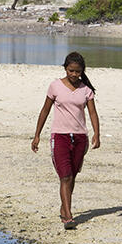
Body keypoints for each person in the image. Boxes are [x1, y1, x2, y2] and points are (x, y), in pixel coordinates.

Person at [31, 52, 100, 229]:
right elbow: (45, 110)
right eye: (71, 71)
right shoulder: (55, 86)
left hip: (80, 137)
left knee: (73, 175)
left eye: (78, 72)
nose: (74, 75)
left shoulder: (86, 90)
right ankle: (68, 216)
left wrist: (96, 134)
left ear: (82, 71)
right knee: (65, 175)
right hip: (59, 136)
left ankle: (64, 208)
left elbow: (92, 113)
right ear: (65, 68)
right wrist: (37, 135)